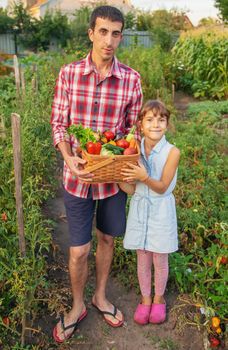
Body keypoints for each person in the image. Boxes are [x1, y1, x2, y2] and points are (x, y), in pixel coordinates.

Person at [50, 5, 143, 343]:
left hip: (112, 181)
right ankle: (77, 306)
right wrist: (68, 157)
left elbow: (135, 132)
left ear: (121, 36)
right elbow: (59, 125)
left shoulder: (131, 79)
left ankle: (99, 296)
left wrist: (127, 159)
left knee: (106, 239)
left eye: (115, 33)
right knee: (79, 250)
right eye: (103, 32)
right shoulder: (69, 74)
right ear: (91, 33)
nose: (109, 40)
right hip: (77, 178)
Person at [119, 100, 180, 325]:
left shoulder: (172, 152)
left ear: (167, 124)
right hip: (140, 208)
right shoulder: (133, 150)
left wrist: (144, 177)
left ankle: (159, 299)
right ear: (140, 125)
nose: (156, 124)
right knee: (142, 257)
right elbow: (132, 188)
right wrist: (119, 177)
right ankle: (145, 299)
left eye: (161, 120)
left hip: (161, 210)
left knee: (159, 258)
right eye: (150, 120)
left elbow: (163, 186)